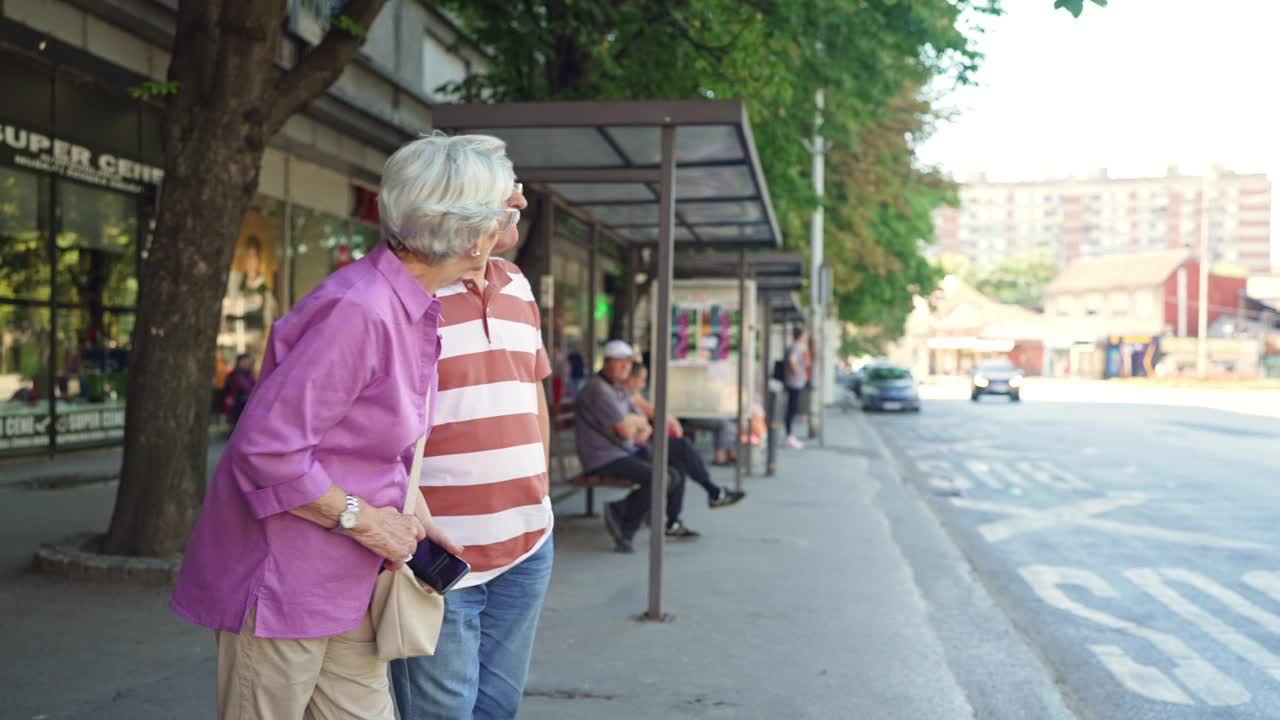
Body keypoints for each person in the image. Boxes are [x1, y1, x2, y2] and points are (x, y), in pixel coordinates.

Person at [170, 133, 515, 720]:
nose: (512, 221)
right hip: (283, 582)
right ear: (475, 236)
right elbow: (267, 452)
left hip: (346, 579)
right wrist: (368, 522)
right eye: (506, 211)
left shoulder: (405, 302)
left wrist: (416, 521)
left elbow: (377, 449)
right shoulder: (362, 309)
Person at [390, 180, 553, 720]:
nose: (522, 203)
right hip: (443, 554)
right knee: (445, 715)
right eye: (510, 190)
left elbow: (532, 389)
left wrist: (541, 491)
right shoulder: (409, 292)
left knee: (498, 708)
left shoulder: (518, 284)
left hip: (528, 543)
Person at [575, 340, 700, 553]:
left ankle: (623, 510)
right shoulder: (599, 389)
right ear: (606, 362)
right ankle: (625, 531)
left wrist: (634, 423)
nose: (625, 367)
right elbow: (625, 431)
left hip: (623, 450)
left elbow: (643, 424)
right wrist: (633, 424)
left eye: (628, 363)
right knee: (660, 476)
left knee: (675, 471)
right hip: (603, 457)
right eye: (620, 362)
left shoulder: (616, 387)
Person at [623, 363, 745, 509]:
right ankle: (713, 491)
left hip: (639, 443)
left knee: (679, 462)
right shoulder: (618, 394)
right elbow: (630, 426)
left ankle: (674, 521)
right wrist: (644, 424)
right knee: (682, 448)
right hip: (630, 449)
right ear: (629, 378)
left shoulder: (629, 394)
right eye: (641, 379)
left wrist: (668, 422)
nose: (643, 384)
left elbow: (650, 411)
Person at [784, 326, 808, 449]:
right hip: (794, 383)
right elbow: (792, 360)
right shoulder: (795, 348)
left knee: (792, 409)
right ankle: (789, 436)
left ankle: (790, 436)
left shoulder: (796, 347)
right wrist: (798, 372)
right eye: (804, 335)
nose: (806, 337)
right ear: (800, 335)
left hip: (795, 382)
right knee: (791, 409)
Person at [221, 353, 256, 429]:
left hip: (245, 403)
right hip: (237, 404)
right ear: (238, 362)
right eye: (244, 361)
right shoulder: (235, 375)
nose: (246, 364)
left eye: (248, 362)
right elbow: (246, 388)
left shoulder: (249, 374)